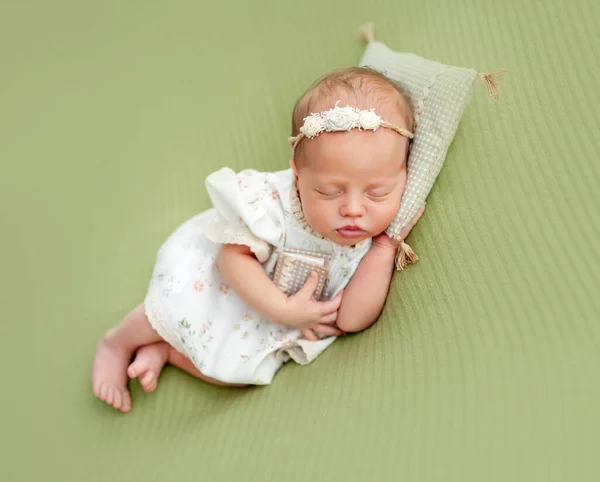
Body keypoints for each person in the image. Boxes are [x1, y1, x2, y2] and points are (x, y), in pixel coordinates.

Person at [92, 67, 425, 413]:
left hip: (267, 324)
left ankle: (168, 351)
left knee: (238, 371)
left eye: (377, 192)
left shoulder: (372, 242)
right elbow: (230, 258)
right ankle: (116, 343)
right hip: (224, 283)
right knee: (170, 306)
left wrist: (385, 249)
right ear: (298, 176)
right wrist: (281, 309)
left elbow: (350, 321)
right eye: (328, 191)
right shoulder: (274, 204)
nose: (354, 210)